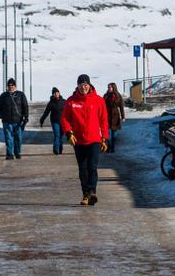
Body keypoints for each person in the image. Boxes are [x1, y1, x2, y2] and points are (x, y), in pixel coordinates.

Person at [60, 73, 109, 206]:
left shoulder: (98, 100)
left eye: (85, 84)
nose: (83, 87)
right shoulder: (71, 101)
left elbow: (104, 120)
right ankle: (85, 195)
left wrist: (105, 138)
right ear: (77, 86)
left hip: (94, 139)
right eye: (81, 85)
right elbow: (64, 119)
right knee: (82, 169)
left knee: (92, 167)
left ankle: (92, 192)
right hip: (79, 140)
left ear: (89, 85)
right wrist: (69, 134)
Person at [0, 78, 28, 160]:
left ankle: (17, 153)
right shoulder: (3, 95)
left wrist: (26, 117)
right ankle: (9, 154)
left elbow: (25, 106)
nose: (10, 87)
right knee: (8, 138)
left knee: (18, 138)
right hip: (7, 121)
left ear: (15, 86)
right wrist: (1, 115)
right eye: (9, 85)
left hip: (18, 121)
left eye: (12, 85)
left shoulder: (21, 95)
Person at [39, 87, 66, 155]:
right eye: (54, 93)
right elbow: (46, 112)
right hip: (55, 121)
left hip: (62, 122)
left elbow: (68, 111)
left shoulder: (64, 101)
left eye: (57, 93)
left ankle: (60, 149)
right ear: (53, 94)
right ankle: (55, 149)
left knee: (60, 136)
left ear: (59, 93)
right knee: (57, 135)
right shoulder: (51, 103)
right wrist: (42, 119)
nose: (56, 94)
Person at [103, 82, 125, 152]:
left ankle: (113, 147)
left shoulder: (118, 96)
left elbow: (121, 107)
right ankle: (108, 146)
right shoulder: (106, 96)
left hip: (115, 116)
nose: (109, 89)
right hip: (107, 116)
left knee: (114, 134)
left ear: (113, 88)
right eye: (108, 87)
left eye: (110, 87)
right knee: (107, 133)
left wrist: (123, 116)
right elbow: (102, 106)